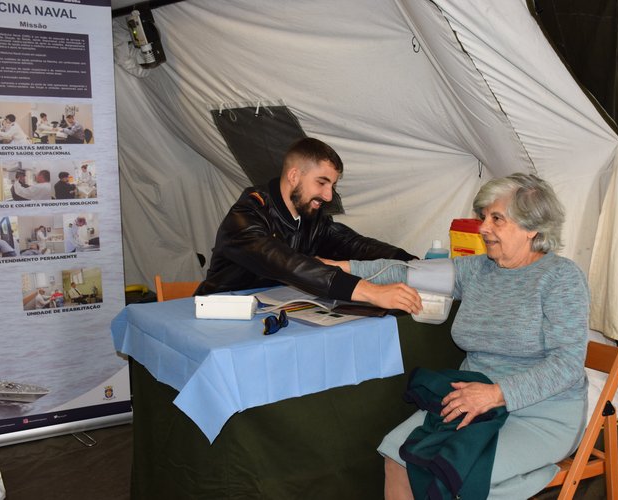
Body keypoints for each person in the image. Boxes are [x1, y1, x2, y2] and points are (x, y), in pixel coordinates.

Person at [327, 173, 590, 499]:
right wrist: (337, 268)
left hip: (540, 413)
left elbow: (567, 365)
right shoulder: (478, 269)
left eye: (497, 219)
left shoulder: (561, 279)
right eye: (484, 217)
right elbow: (406, 271)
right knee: (397, 454)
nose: (483, 228)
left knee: (462, 476)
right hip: (469, 402)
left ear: (532, 227)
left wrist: (495, 394)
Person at [194, 137, 419, 304]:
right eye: (321, 183)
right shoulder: (246, 216)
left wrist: (411, 263)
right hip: (218, 316)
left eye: (332, 186)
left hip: (270, 311)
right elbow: (287, 263)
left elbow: (353, 244)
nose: (328, 196)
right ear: (294, 176)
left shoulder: (310, 218)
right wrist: (371, 292)